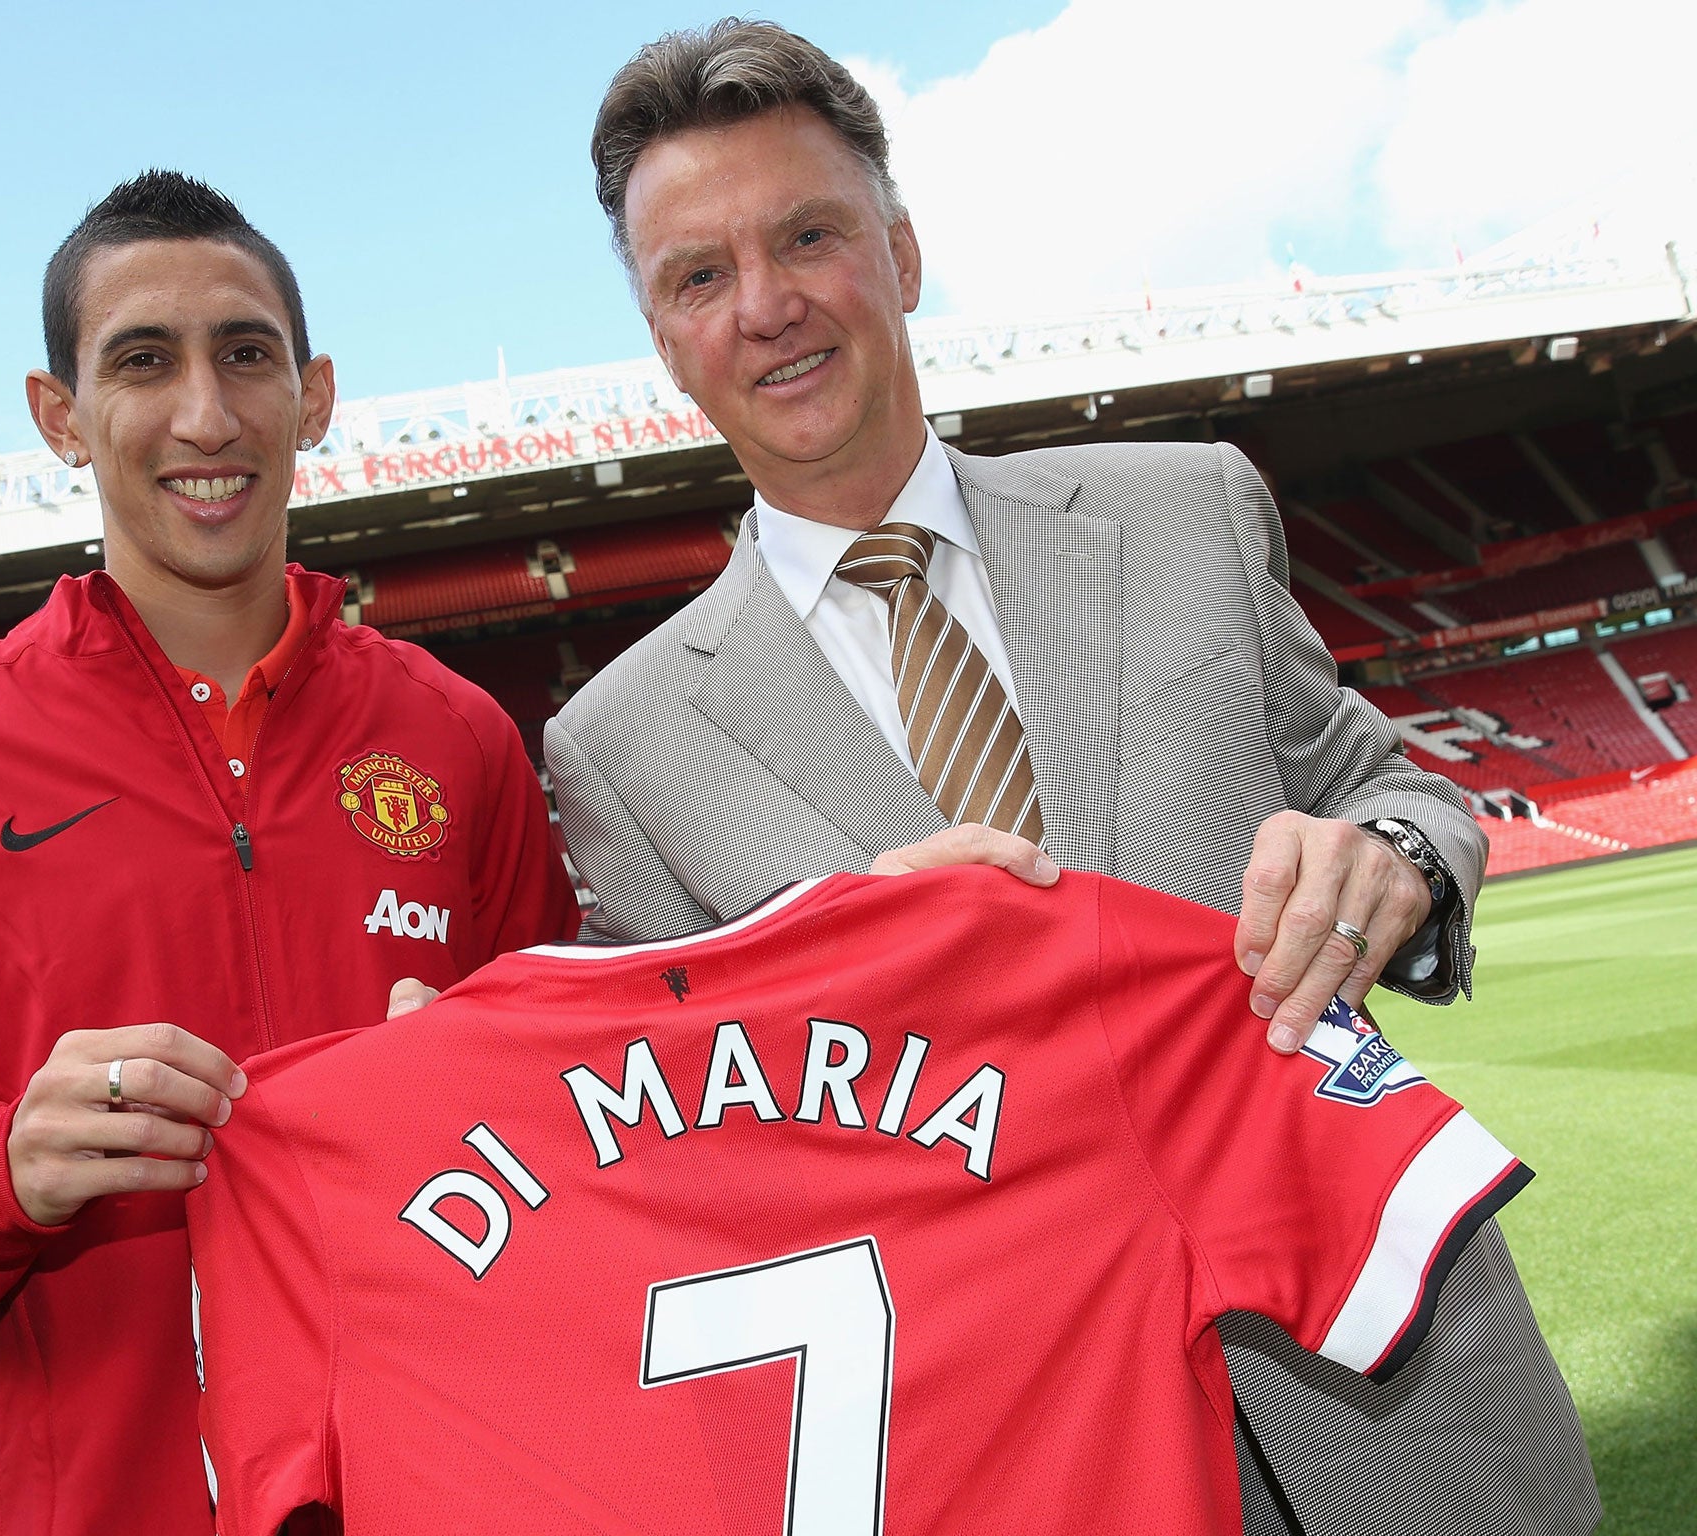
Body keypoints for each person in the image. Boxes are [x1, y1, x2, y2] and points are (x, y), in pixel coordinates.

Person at [542, 21, 1598, 1534]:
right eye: (698, 277)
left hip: (1404, 1411)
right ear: (663, 339)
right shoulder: (622, 743)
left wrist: (1398, 862)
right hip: (1035, 1462)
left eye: (809, 235)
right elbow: (698, 1170)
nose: (766, 305)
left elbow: (1395, 786)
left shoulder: (1188, 512)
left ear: (900, 254)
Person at [0, 171, 578, 1535]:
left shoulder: (461, 741)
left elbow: (580, 1136)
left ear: (312, 396)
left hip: (444, 1490)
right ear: (62, 417)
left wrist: (496, 1089)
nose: (208, 413)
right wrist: (1, 1169)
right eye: (144, 362)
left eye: (246, 354)